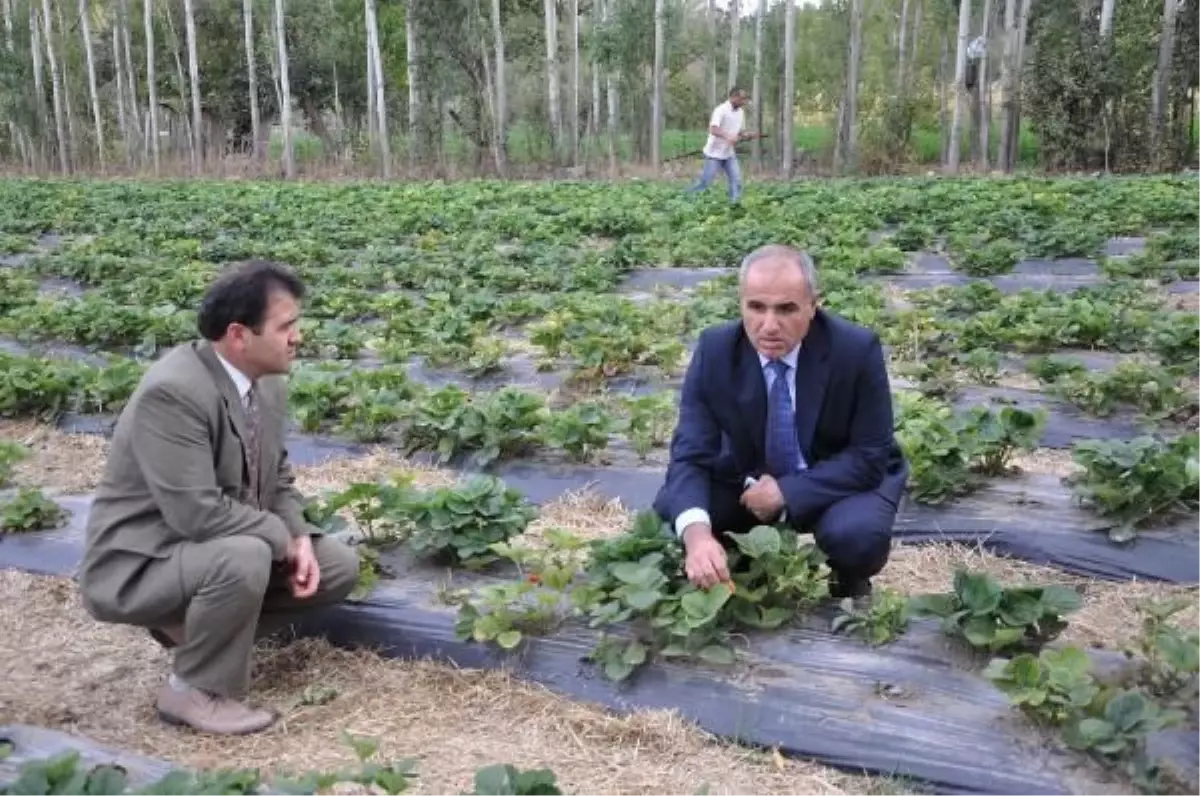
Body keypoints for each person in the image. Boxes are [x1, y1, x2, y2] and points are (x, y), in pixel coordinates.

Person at [79, 260, 359, 736]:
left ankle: (195, 631)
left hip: (208, 548)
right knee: (245, 555)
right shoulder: (174, 392)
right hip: (144, 562)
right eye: (286, 325)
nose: (298, 336)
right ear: (238, 334)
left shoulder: (266, 384)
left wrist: (300, 536)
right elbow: (196, 514)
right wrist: (278, 538)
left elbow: (278, 478)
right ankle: (192, 690)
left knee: (336, 567)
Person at [653, 245, 908, 599]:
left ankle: (848, 582)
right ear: (741, 303)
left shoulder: (855, 350)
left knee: (856, 536)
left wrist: (787, 491)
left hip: (833, 476)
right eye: (756, 307)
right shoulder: (716, 350)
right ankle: (734, 562)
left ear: (813, 305)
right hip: (750, 479)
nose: (769, 325)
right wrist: (697, 536)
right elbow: (690, 454)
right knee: (677, 509)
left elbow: (870, 455)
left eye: (786, 309)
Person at [687, 87, 754, 203]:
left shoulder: (741, 112)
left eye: (745, 99)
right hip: (714, 153)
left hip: (728, 153)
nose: (744, 102)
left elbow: (740, 131)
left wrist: (746, 135)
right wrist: (728, 136)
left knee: (736, 180)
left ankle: (734, 205)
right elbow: (713, 129)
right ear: (733, 97)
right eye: (742, 99)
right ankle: (687, 198)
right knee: (705, 183)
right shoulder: (720, 110)